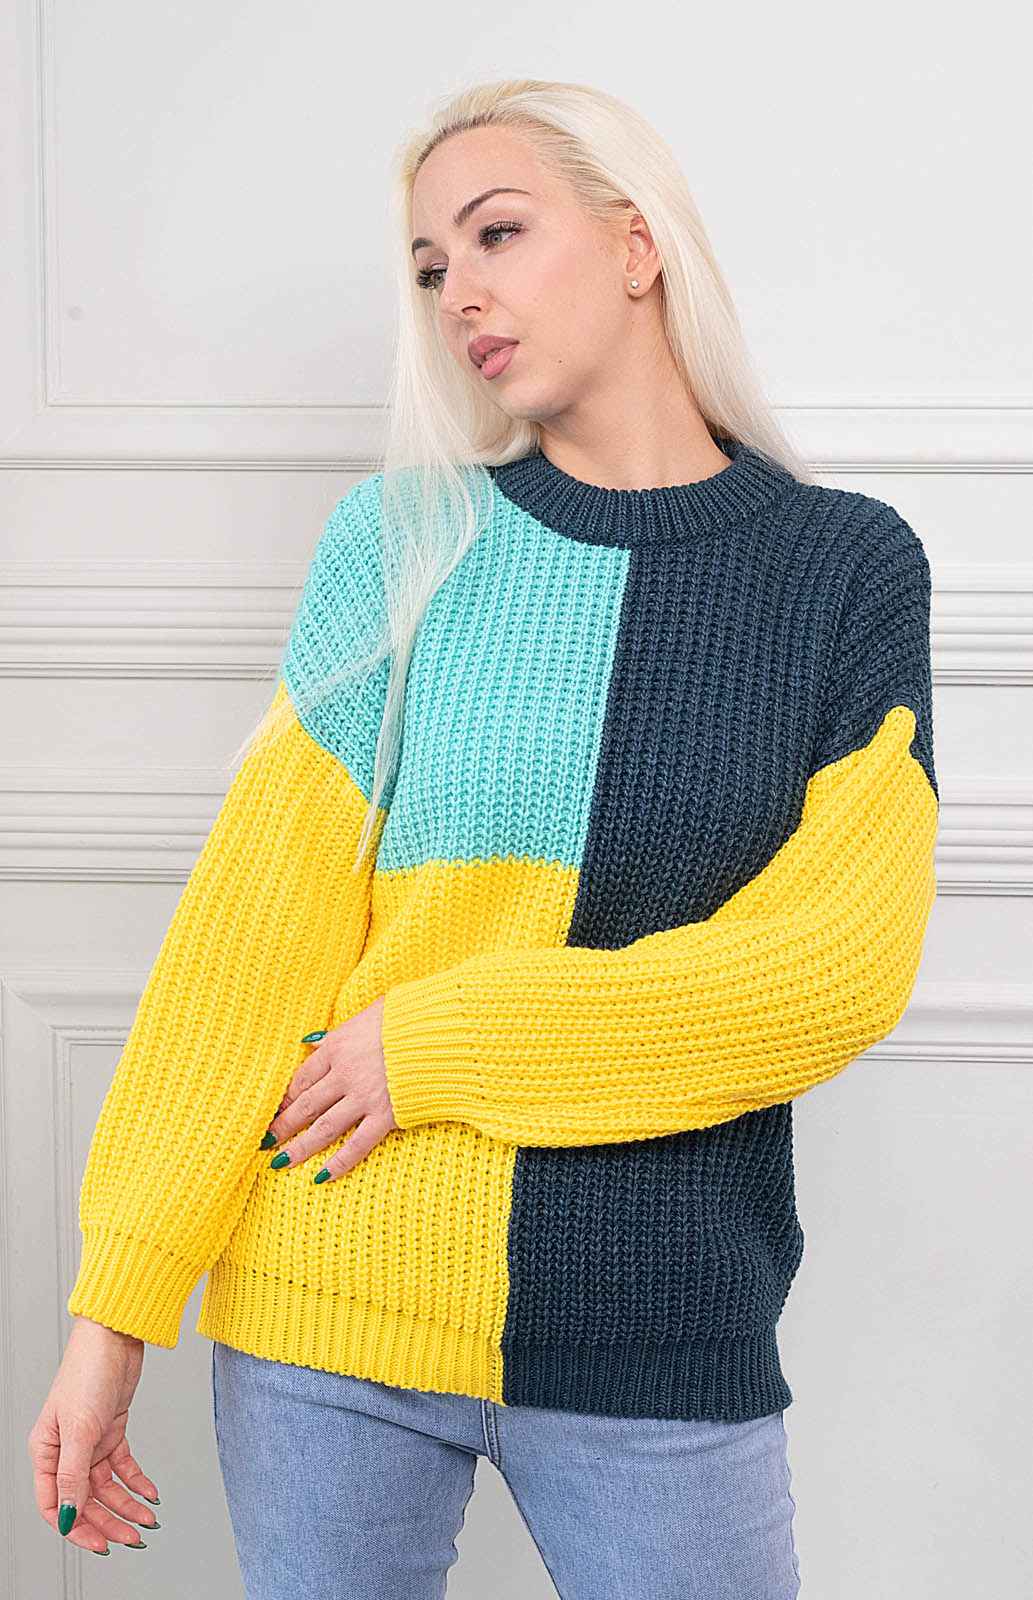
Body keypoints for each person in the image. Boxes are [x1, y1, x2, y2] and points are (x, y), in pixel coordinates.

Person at [28, 77, 938, 1598]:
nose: (459, 293)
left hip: (660, 1326)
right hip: (328, 1296)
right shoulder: (399, 543)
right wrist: (111, 1315)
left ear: (637, 244)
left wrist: (438, 1041)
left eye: (497, 233)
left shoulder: (840, 569)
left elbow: (831, 970)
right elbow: (246, 951)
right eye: (430, 266)